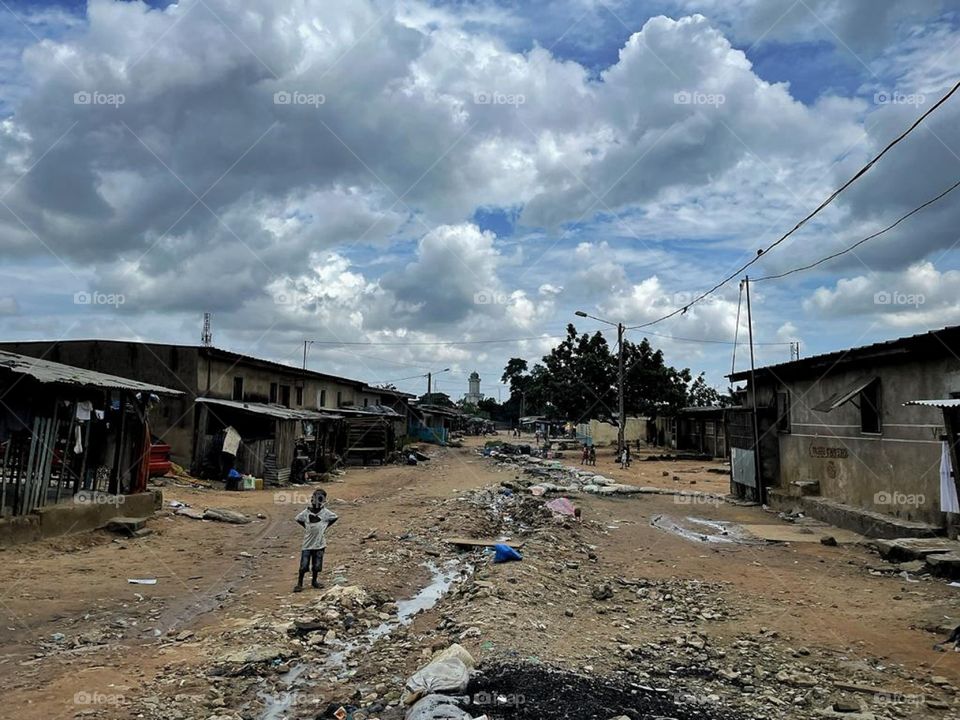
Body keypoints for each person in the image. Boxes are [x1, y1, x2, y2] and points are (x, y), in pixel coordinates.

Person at [294, 489, 338, 592]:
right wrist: (307, 526)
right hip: (307, 544)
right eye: (314, 499)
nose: (316, 502)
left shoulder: (326, 513)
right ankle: (299, 583)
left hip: (319, 544)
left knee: (317, 565)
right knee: (303, 566)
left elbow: (335, 517)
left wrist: (325, 526)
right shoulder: (306, 512)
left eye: (319, 499)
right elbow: (298, 519)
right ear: (312, 499)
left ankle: (314, 581)